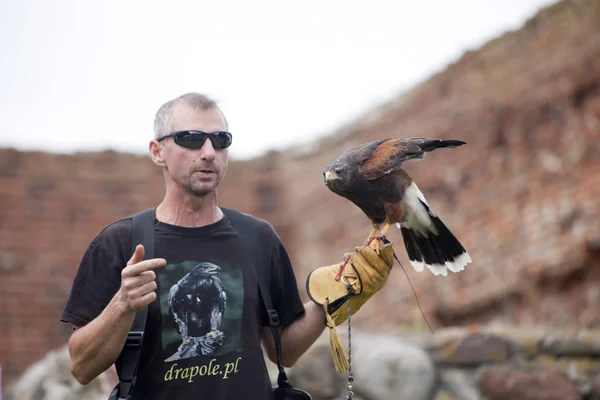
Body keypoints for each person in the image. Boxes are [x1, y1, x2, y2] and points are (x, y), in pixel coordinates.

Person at [60, 92, 392, 399]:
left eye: (220, 140)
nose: (207, 152)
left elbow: (284, 351)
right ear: (157, 151)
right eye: (190, 139)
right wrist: (122, 304)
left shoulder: (258, 237)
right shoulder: (119, 243)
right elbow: (81, 368)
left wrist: (332, 298)